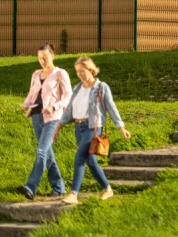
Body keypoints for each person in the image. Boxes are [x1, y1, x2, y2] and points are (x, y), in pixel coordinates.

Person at [54, 56, 131, 204]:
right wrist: (58, 126)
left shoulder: (101, 87)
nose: (80, 74)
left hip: (93, 127)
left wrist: (121, 127)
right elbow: (69, 109)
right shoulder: (77, 88)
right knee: (90, 161)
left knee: (79, 157)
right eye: (77, 71)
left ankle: (73, 194)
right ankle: (108, 189)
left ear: (90, 70)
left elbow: (111, 107)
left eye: (82, 71)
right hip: (79, 127)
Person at [17, 43, 72, 200]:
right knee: (47, 154)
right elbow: (32, 94)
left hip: (53, 119)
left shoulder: (60, 74)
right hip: (36, 116)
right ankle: (59, 187)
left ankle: (30, 186)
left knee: (41, 151)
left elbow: (68, 97)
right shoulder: (36, 74)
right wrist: (26, 104)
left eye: (45, 57)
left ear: (53, 56)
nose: (42, 61)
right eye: (40, 58)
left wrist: (54, 107)